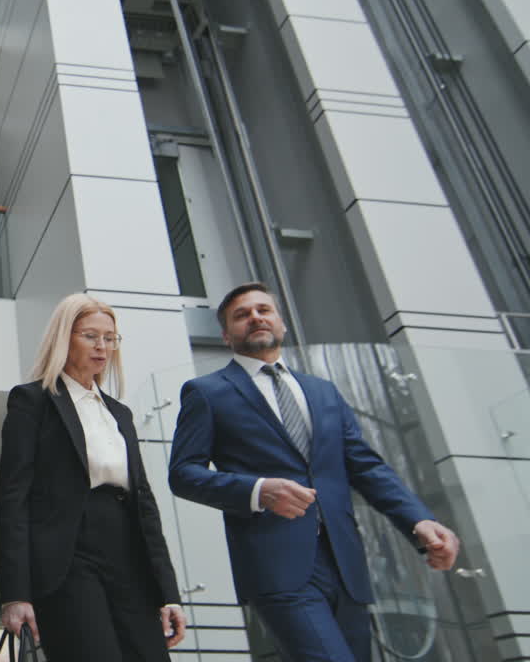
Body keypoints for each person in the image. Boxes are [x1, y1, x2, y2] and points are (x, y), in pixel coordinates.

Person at [168, 282, 460, 662]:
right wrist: (257, 490)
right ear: (226, 335)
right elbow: (183, 473)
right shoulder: (206, 392)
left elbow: (365, 466)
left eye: (263, 309)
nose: (255, 317)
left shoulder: (322, 391)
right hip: (277, 567)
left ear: (281, 324)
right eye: (242, 315)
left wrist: (418, 520)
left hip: (346, 564)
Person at [0, 294, 187, 661]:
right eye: (90, 336)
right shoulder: (32, 401)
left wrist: (168, 591)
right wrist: (15, 592)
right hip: (67, 556)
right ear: (64, 338)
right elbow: (13, 497)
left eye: (110, 337)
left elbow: (145, 503)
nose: (103, 347)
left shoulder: (121, 414)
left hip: (127, 551)